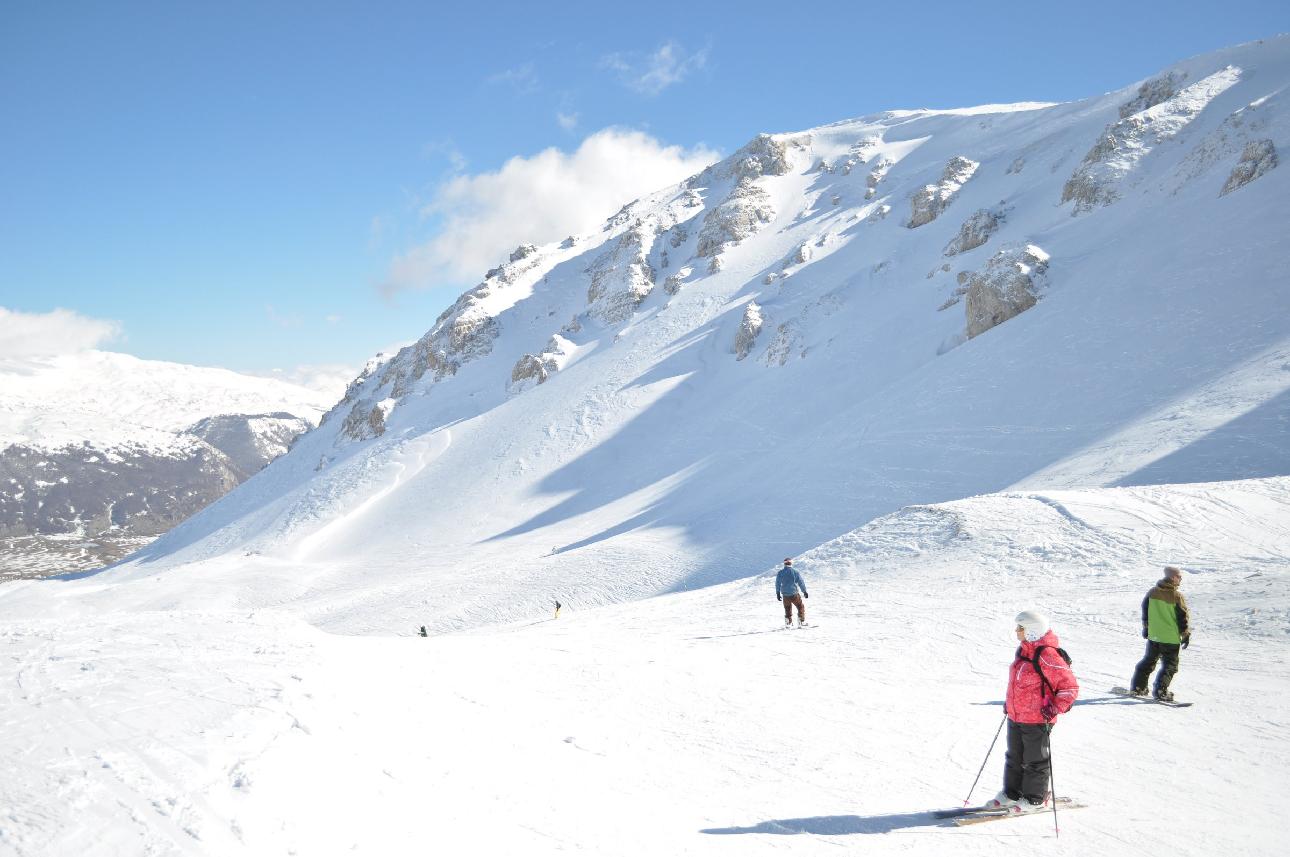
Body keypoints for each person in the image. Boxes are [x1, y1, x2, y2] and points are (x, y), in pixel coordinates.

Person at [988, 610, 1079, 814]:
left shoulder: (1047, 654)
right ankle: (1013, 794)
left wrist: (1055, 707)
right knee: (1014, 757)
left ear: (1032, 630)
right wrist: (1010, 703)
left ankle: (1035, 799)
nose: (1016, 631)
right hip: (1016, 715)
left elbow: (1069, 687)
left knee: (1035, 760)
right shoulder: (1023, 650)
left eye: (1020, 628)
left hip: (1038, 718)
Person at [1130, 566, 1190, 701]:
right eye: (1179, 576)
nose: (1181, 579)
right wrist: (1185, 634)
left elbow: (1145, 611)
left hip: (1154, 636)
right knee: (1170, 666)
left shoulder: (1152, 592)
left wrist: (1146, 628)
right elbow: (1182, 618)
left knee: (1148, 661)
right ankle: (1160, 691)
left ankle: (1138, 687)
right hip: (1170, 638)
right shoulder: (1176, 596)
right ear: (1173, 577)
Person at [775, 558, 808, 627]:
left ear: (784, 564)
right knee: (800, 606)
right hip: (794, 594)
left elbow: (777, 583)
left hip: (785, 595)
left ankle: (788, 623)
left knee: (787, 608)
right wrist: (804, 591)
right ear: (791, 563)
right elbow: (801, 582)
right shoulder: (795, 572)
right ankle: (801, 621)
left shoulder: (780, 573)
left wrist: (778, 593)